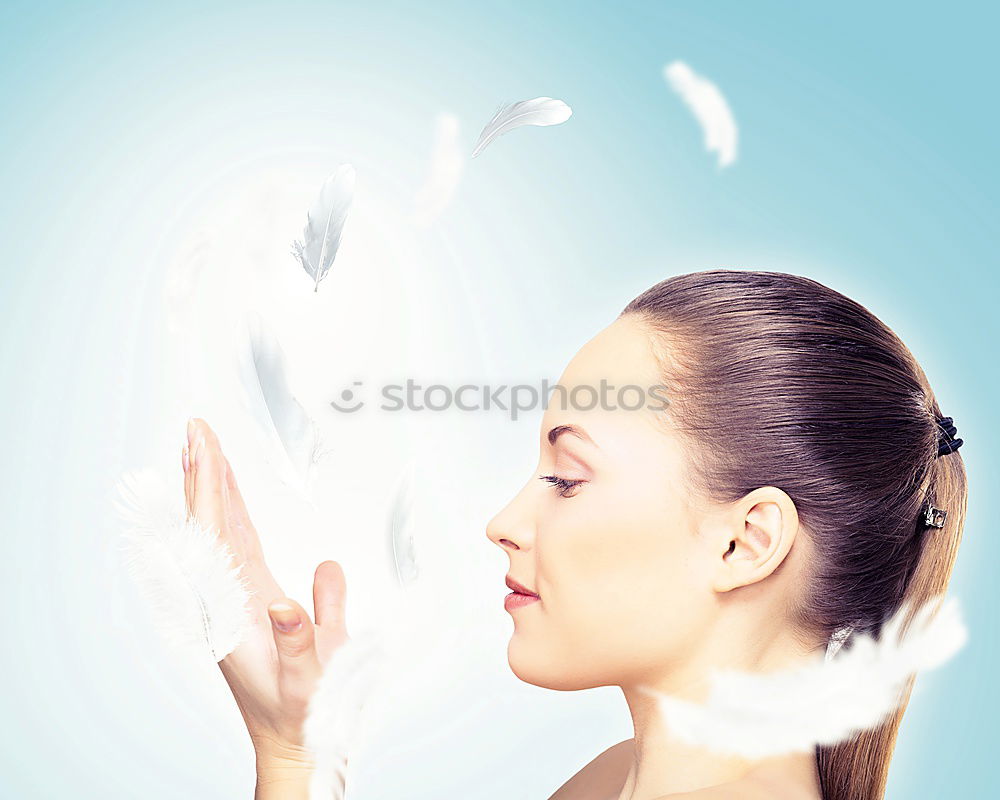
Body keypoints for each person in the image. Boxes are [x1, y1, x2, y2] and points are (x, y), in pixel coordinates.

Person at [180, 269, 967, 800]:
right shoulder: (619, 779)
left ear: (745, 542)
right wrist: (296, 750)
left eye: (567, 478)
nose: (503, 525)